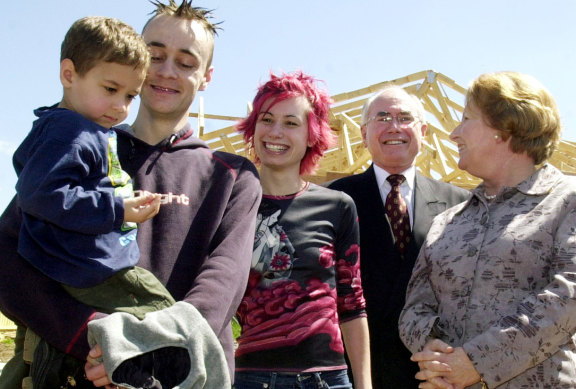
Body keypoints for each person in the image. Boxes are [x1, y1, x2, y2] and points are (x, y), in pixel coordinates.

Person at [0, 1, 261, 388]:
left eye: (186, 62)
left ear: (206, 77)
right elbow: (8, 257)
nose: (167, 71)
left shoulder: (232, 176)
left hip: (179, 376)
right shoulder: (75, 145)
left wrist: (139, 345)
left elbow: (221, 285)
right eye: (155, 55)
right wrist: (95, 337)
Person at [399, 71, 576, 388]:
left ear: (504, 128)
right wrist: (432, 350)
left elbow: (572, 295)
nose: (454, 133)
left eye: (466, 119)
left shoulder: (571, 199)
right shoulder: (448, 220)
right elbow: (414, 307)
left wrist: (477, 362)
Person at [233, 71, 372, 389]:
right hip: (248, 379)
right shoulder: (232, 205)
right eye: (267, 120)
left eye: (291, 123)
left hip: (326, 380)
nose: (276, 132)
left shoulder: (338, 206)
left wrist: (364, 384)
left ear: (312, 135)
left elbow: (352, 302)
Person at [328, 85, 468, 388]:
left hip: (434, 372)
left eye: (405, 118)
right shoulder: (332, 200)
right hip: (355, 371)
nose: (394, 127)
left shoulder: (461, 203)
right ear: (364, 133)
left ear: (424, 131)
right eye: (382, 118)